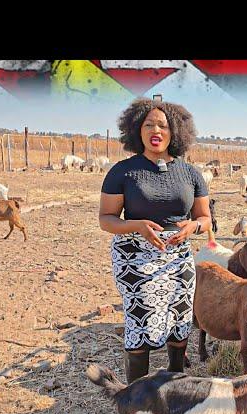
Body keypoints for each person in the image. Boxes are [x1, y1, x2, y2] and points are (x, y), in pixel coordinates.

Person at [99, 98, 211, 383]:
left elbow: (206, 219)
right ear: (137, 130)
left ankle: (175, 390)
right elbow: (107, 218)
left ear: (175, 131)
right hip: (134, 257)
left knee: (180, 322)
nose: (155, 130)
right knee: (141, 325)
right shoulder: (122, 172)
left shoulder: (190, 173)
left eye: (162, 125)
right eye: (148, 124)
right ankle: (136, 399)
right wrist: (136, 226)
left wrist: (193, 227)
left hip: (178, 258)